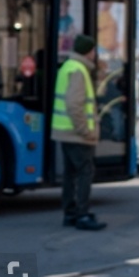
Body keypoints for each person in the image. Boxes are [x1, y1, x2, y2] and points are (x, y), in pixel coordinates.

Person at [53, 34, 105, 230]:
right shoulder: (79, 70)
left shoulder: (68, 66)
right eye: (93, 50)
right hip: (77, 134)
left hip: (65, 132)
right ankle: (82, 215)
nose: (95, 54)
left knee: (70, 175)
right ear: (89, 51)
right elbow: (74, 105)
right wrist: (85, 130)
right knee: (85, 173)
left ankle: (70, 213)